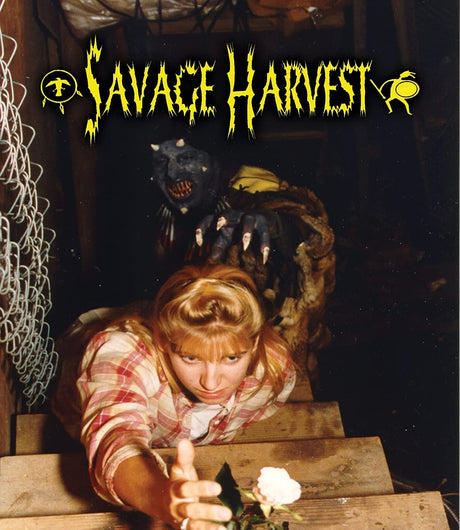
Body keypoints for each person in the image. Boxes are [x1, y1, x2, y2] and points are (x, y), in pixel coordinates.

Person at [53, 263, 296, 529]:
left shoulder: (274, 375)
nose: (210, 382)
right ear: (162, 342)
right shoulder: (125, 353)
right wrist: (159, 498)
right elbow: (115, 437)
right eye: (191, 358)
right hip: (78, 352)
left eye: (231, 358)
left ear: (255, 344)